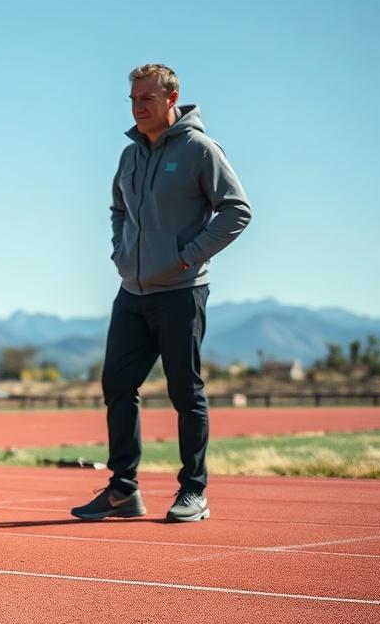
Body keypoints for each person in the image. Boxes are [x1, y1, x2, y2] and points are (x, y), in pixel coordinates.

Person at [72, 64, 251, 523]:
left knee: (184, 391)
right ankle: (122, 490)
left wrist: (189, 256)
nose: (138, 107)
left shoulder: (199, 150)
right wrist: (120, 251)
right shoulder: (130, 155)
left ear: (172, 99)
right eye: (133, 99)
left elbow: (237, 210)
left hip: (180, 291)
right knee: (117, 383)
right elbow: (117, 209)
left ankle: (194, 491)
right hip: (131, 291)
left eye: (147, 99)